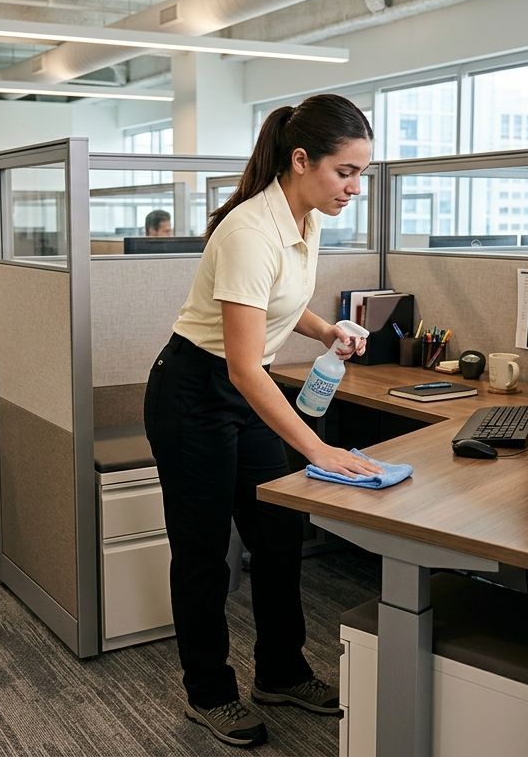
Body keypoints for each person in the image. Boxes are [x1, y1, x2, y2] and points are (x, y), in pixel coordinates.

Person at [143, 94, 380, 749]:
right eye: (345, 172)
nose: (354, 188)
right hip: (194, 392)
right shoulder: (249, 231)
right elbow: (248, 368)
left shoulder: (305, 216)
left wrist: (323, 326)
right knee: (205, 554)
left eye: (362, 173)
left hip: (240, 389)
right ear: (301, 160)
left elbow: (276, 298)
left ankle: (280, 671)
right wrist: (317, 451)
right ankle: (209, 693)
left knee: (278, 534)